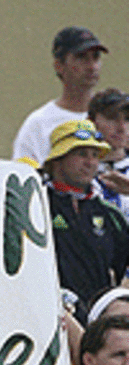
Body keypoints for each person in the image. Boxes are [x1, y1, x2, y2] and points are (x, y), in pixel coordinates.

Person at [44, 120, 129, 321]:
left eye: (95, 156)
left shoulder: (109, 214)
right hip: (49, 315)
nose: (90, 162)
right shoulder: (37, 204)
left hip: (97, 322)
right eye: (81, 154)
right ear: (57, 159)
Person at [14, 27, 109, 164]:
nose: (92, 66)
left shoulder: (118, 120)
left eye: (96, 57)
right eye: (81, 57)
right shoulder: (39, 124)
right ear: (59, 65)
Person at [89, 88, 129, 220]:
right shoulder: (77, 170)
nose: (121, 127)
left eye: (127, 119)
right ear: (91, 122)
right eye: (112, 118)